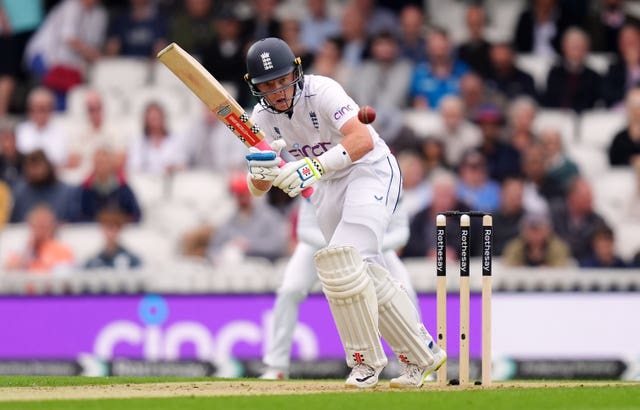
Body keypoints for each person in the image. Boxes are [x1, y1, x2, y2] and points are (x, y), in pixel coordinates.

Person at [243, 37, 445, 388]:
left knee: (347, 261)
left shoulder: (322, 91)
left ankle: (365, 362)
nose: (277, 91)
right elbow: (260, 185)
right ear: (255, 86)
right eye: (267, 85)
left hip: (370, 170)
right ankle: (423, 354)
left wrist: (309, 168)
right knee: (361, 270)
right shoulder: (260, 117)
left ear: (297, 71)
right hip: (328, 185)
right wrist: (258, 175)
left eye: (281, 80)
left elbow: (362, 139)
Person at [260, 199, 419, 379]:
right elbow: (305, 230)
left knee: (404, 288)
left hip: (373, 246)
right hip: (319, 246)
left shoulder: (383, 178)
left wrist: (364, 245)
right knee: (290, 290)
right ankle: (276, 365)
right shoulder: (318, 178)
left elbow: (401, 233)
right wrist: (343, 244)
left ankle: (416, 363)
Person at [4, 204, 75, 274]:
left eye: (43, 225)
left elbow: (64, 273)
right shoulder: (24, 249)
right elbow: (9, 270)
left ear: (52, 226)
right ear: (30, 225)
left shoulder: (61, 249)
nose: (40, 230)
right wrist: (28, 251)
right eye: (37, 224)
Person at [502, 210, 572, 267]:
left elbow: (560, 266)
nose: (535, 235)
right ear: (524, 231)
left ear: (548, 231)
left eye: (539, 230)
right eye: (531, 230)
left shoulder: (558, 248)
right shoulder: (514, 247)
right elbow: (509, 264)